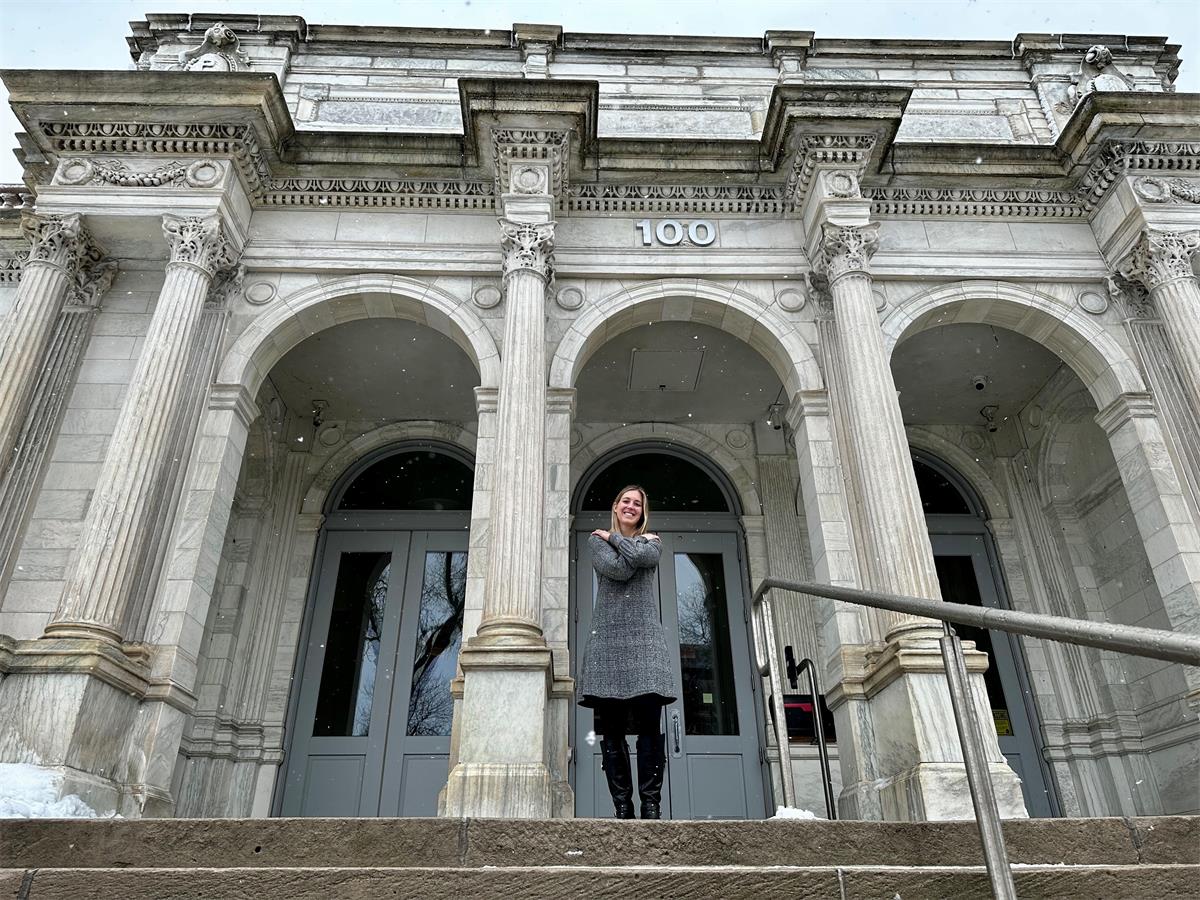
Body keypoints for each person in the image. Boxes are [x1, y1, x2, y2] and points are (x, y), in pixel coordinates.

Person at [578, 485, 677, 819]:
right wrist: (625, 543)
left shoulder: (653, 542)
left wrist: (615, 538)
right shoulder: (595, 542)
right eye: (626, 501)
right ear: (615, 506)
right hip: (606, 641)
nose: (631, 506)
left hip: (645, 642)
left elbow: (637, 557)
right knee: (612, 729)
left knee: (650, 726)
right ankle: (623, 807)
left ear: (642, 511)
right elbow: (620, 570)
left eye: (637, 503)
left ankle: (651, 805)